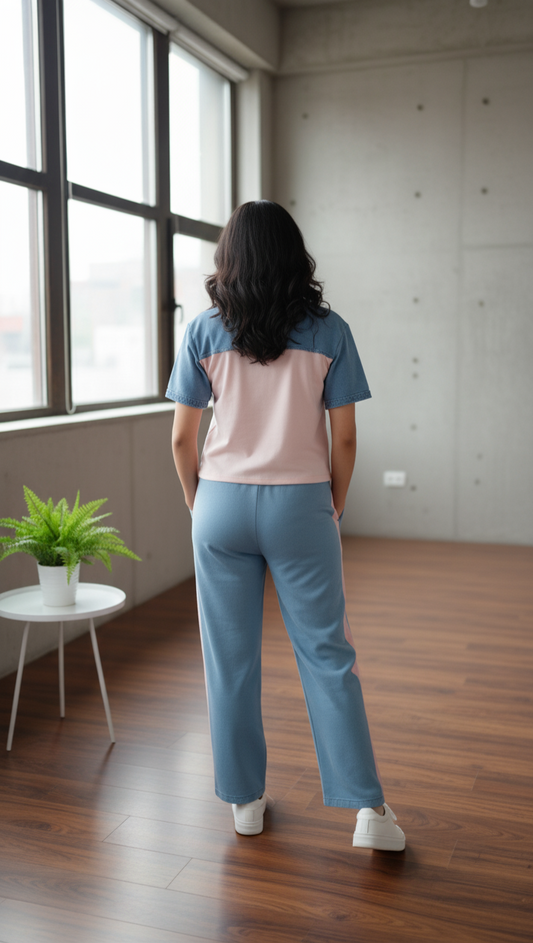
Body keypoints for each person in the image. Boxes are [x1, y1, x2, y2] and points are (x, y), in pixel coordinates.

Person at [167, 200, 405, 851]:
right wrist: (332, 505)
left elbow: (183, 440)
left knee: (229, 659)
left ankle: (244, 799)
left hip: (218, 501)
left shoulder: (203, 331)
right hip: (301, 503)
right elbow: (346, 438)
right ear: (294, 255)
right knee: (328, 654)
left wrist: (199, 505)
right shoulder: (331, 331)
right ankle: (368, 811)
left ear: (229, 257)